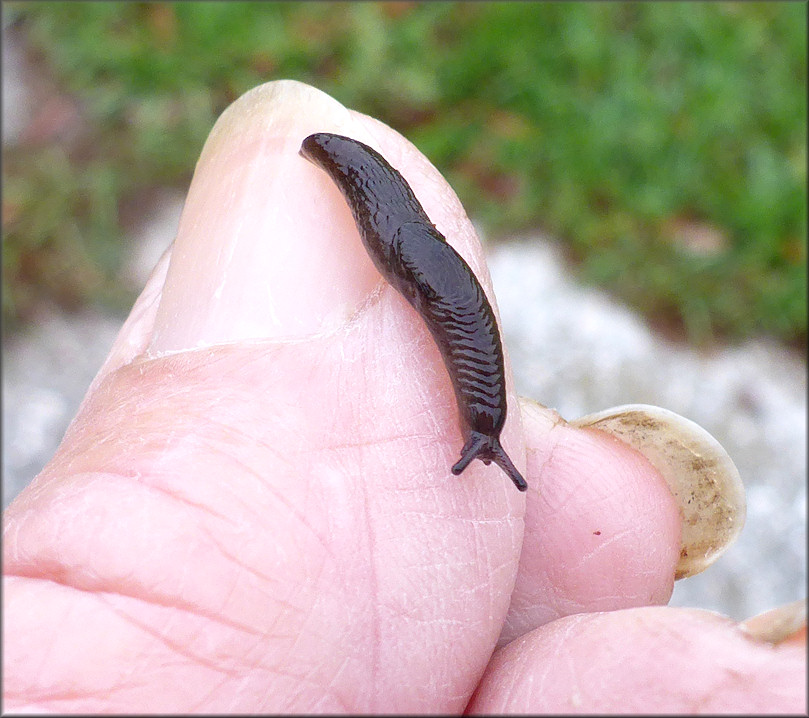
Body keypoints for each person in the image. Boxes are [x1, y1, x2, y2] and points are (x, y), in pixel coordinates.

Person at [3, 80, 804, 713]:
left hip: (416, 264)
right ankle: (479, 419)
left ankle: (481, 423)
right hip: (383, 215)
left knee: (440, 289)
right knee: (433, 280)